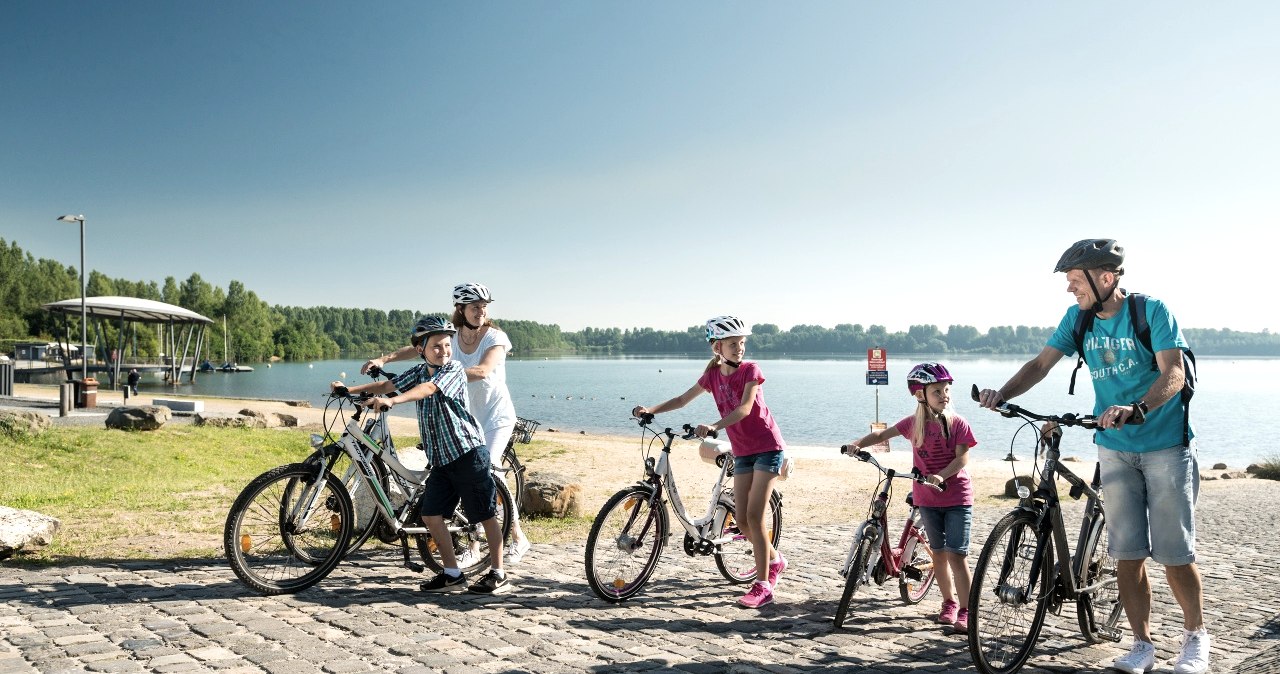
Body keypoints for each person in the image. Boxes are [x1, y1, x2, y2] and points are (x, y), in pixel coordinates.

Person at [977, 238, 1208, 674]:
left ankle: (1195, 638)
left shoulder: (1151, 311)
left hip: (1166, 448)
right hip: (1115, 449)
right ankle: (1142, 645)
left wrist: (1137, 407)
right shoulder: (1077, 319)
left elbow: (1173, 372)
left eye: (1075, 281)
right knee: (1128, 554)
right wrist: (1002, 394)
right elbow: (1041, 364)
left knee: (1175, 554)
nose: (1070, 290)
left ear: (1106, 277)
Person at [337, 316, 509, 594]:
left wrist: (392, 401)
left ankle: (498, 573)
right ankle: (453, 574)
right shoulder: (419, 371)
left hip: (467, 453)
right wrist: (349, 390)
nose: (444, 351)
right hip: (442, 459)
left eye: (446, 345)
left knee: (485, 514)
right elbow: (385, 386)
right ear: (421, 350)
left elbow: (426, 390)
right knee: (430, 515)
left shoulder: (453, 369)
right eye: (436, 347)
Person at [365, 283, 532, 563]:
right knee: (468, 481)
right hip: (467, 417)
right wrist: (385, 357)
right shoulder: (452, 338)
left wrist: (439, 376)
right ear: (461, 309)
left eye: (484, 306)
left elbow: (482, 370)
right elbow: (423, 344)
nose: (481, 311)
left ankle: (509, 540)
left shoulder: (496, 337)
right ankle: (481, 545)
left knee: (487, 475)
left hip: (496, 417)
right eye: (475, 306)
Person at [631, 315, 787, 608]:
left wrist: (714, 425)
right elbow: (681, 399)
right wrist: (649, 409)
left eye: (741, 343)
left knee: (754, 517)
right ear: (717, 347)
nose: (739, 348)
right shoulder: (712, 376)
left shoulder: (751, 370)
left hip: (767, 446)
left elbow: (744, 409)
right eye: (732, 344)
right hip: (742, 450)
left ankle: (764, 585)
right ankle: (776, 561)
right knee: (740, 520)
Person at [844, 362, 976, 633]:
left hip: (957, 498)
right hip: (927, 499)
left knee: (956, 555)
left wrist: (940, 475)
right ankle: (949, 603)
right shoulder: (913, 424)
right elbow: (882, 434)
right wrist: (857, 444)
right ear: (921, 395)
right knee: (938, 554)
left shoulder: (957, 423)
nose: (944, 395)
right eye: (937, 391)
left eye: (946, 390)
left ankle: (967, 609)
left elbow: (962, 457)